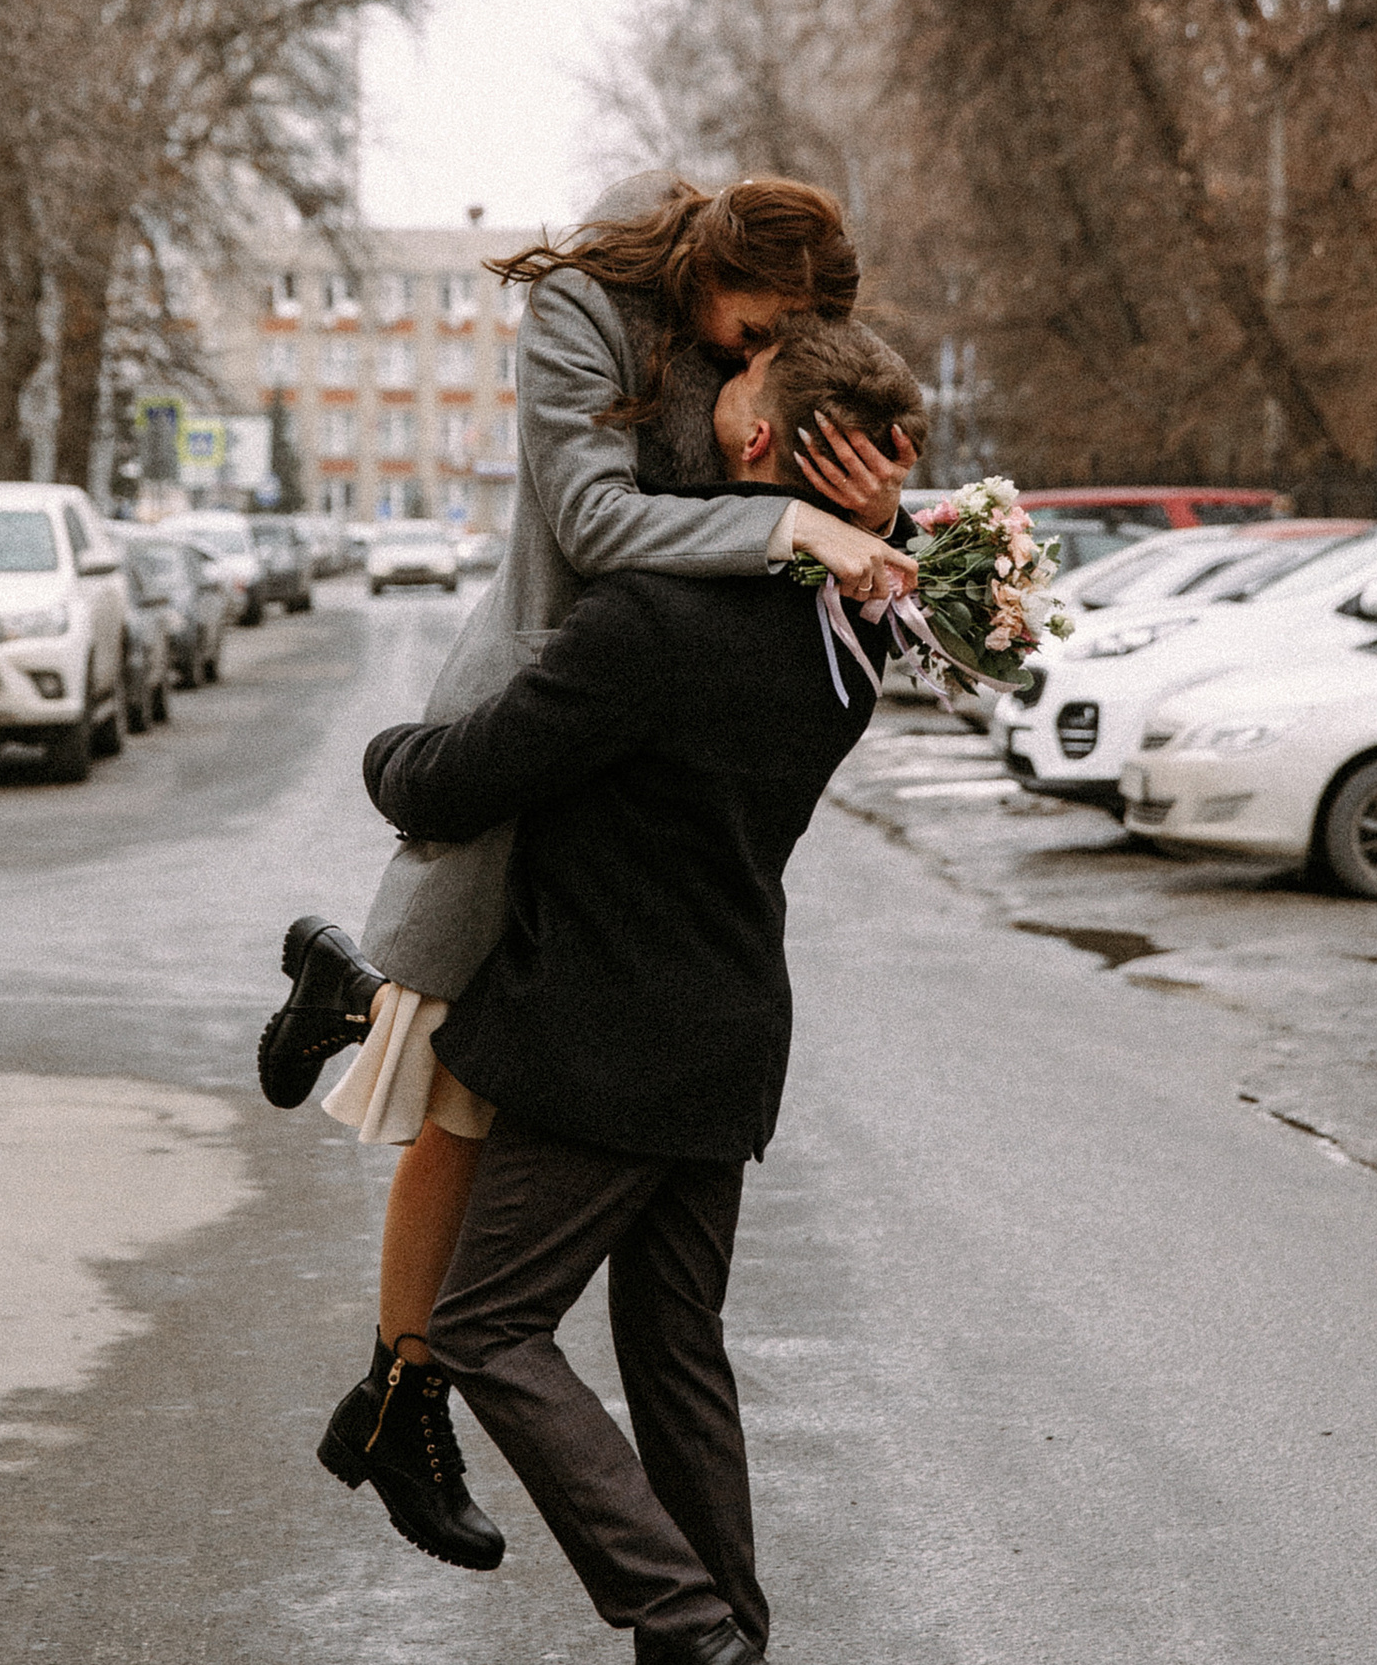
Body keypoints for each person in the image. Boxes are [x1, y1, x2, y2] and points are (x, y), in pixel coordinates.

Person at [260, 176, 918, 1569]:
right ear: (709, 272)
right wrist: (797, 529)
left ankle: (352, 1009)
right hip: (571, 681)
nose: (760, 358)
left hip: (651, 709)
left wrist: (884, 524)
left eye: (785, 344)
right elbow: (597, 523)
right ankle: (403, 1384)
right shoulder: (584, 313)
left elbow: (828, 561)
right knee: (461, 1070)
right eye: (759, 329)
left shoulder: (758, 362)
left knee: (469, 1069)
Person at [346, 316, 930, 1665]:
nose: (695, 406)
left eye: (724, 392)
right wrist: (874, 530)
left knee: (483, 1328)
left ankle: (689, 1643)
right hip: (727, 1038)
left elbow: (464, 771)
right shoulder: (842, 638)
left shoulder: (655, 625)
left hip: (605, 1047)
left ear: (753, 442)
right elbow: (902, 589)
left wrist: (381, 760)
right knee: (676, 1359)